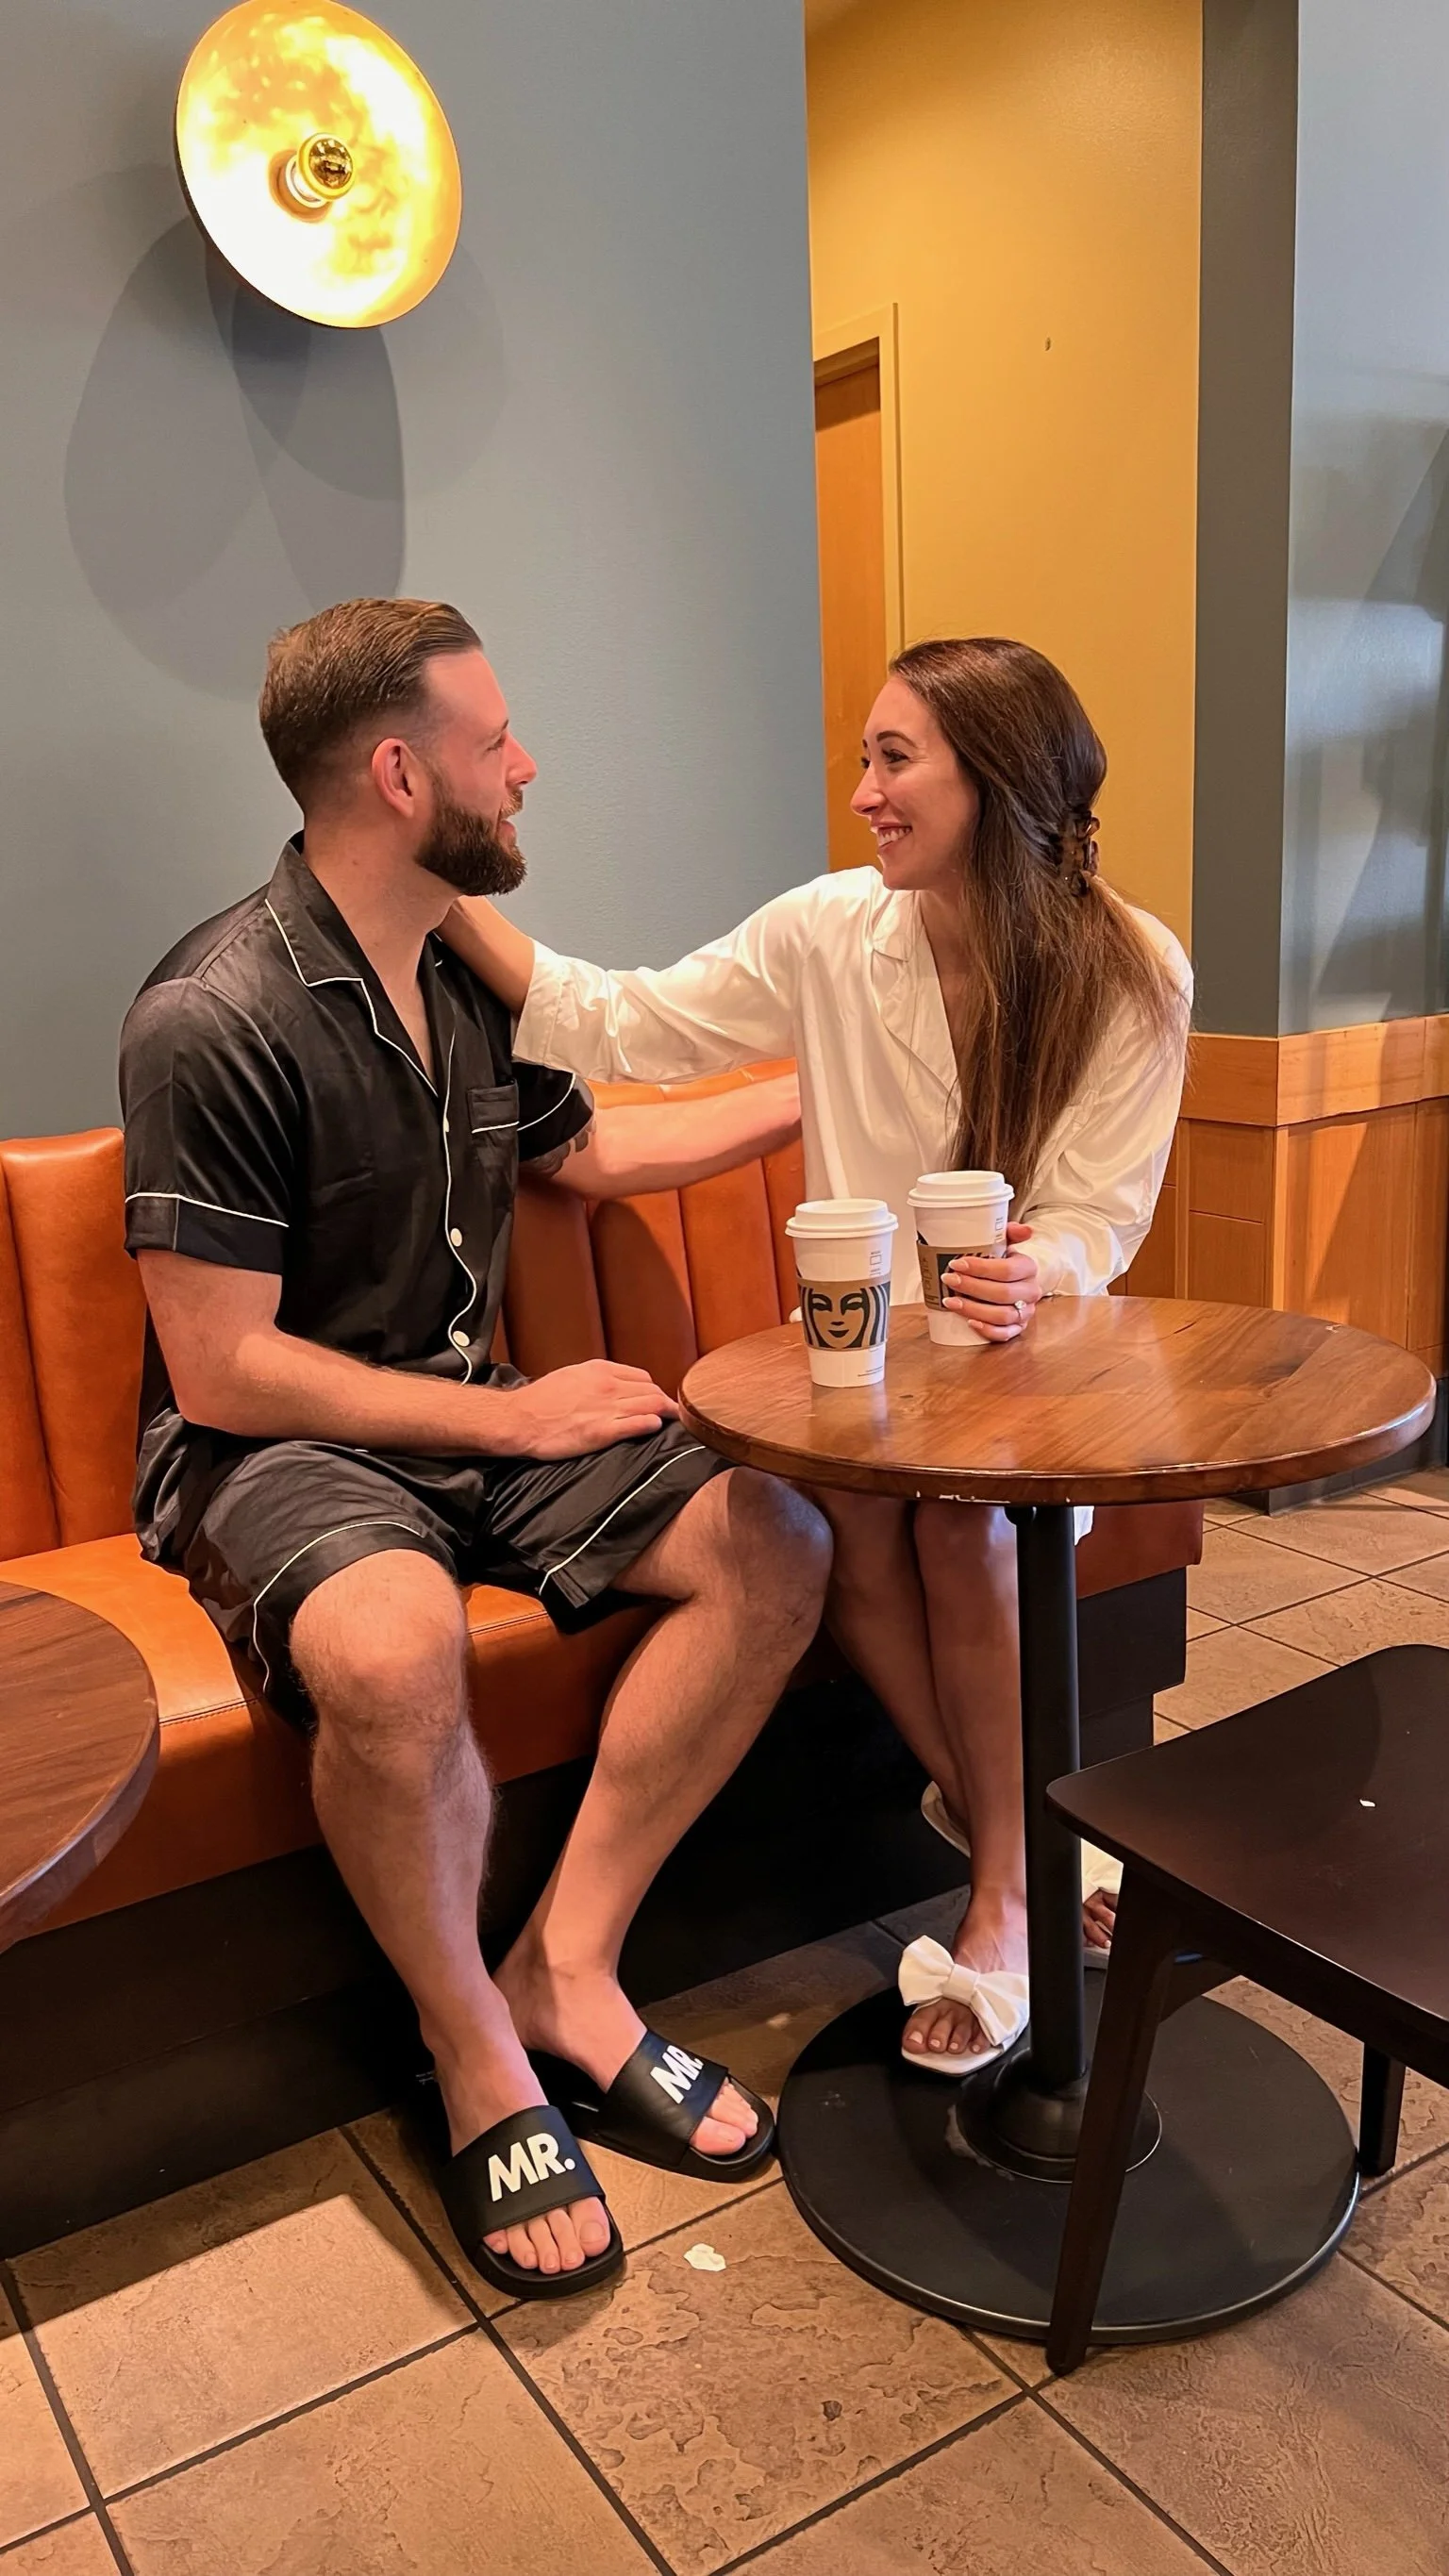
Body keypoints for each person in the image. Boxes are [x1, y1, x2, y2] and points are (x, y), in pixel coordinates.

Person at [120, 597, 831, 2303]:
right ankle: (473, 2048)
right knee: (390, 1642)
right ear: (396, 772)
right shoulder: (210, 1012)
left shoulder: (467, 971)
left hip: (471, 1414)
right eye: (494, 739)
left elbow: (600, 1158)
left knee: (779, 1541)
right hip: (279, 1444)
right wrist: (513, 1414)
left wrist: (842, 1082)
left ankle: (566, 1966)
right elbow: (223, 1368)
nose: (527, 766)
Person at [441, 636, 1191, 2080]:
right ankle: (1021, 1843)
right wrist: (439, 884)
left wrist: (1044, 1265)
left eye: (895, 759)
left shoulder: (1133, 969)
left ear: (995, 777)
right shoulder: (833, 931)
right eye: (864, 759)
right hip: (868, 1374)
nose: (863, 794)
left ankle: (998, 1894)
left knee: (965, 1527)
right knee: (837, 1505)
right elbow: (628, 1020)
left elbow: (1101, 1216)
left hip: (1028, 1373)